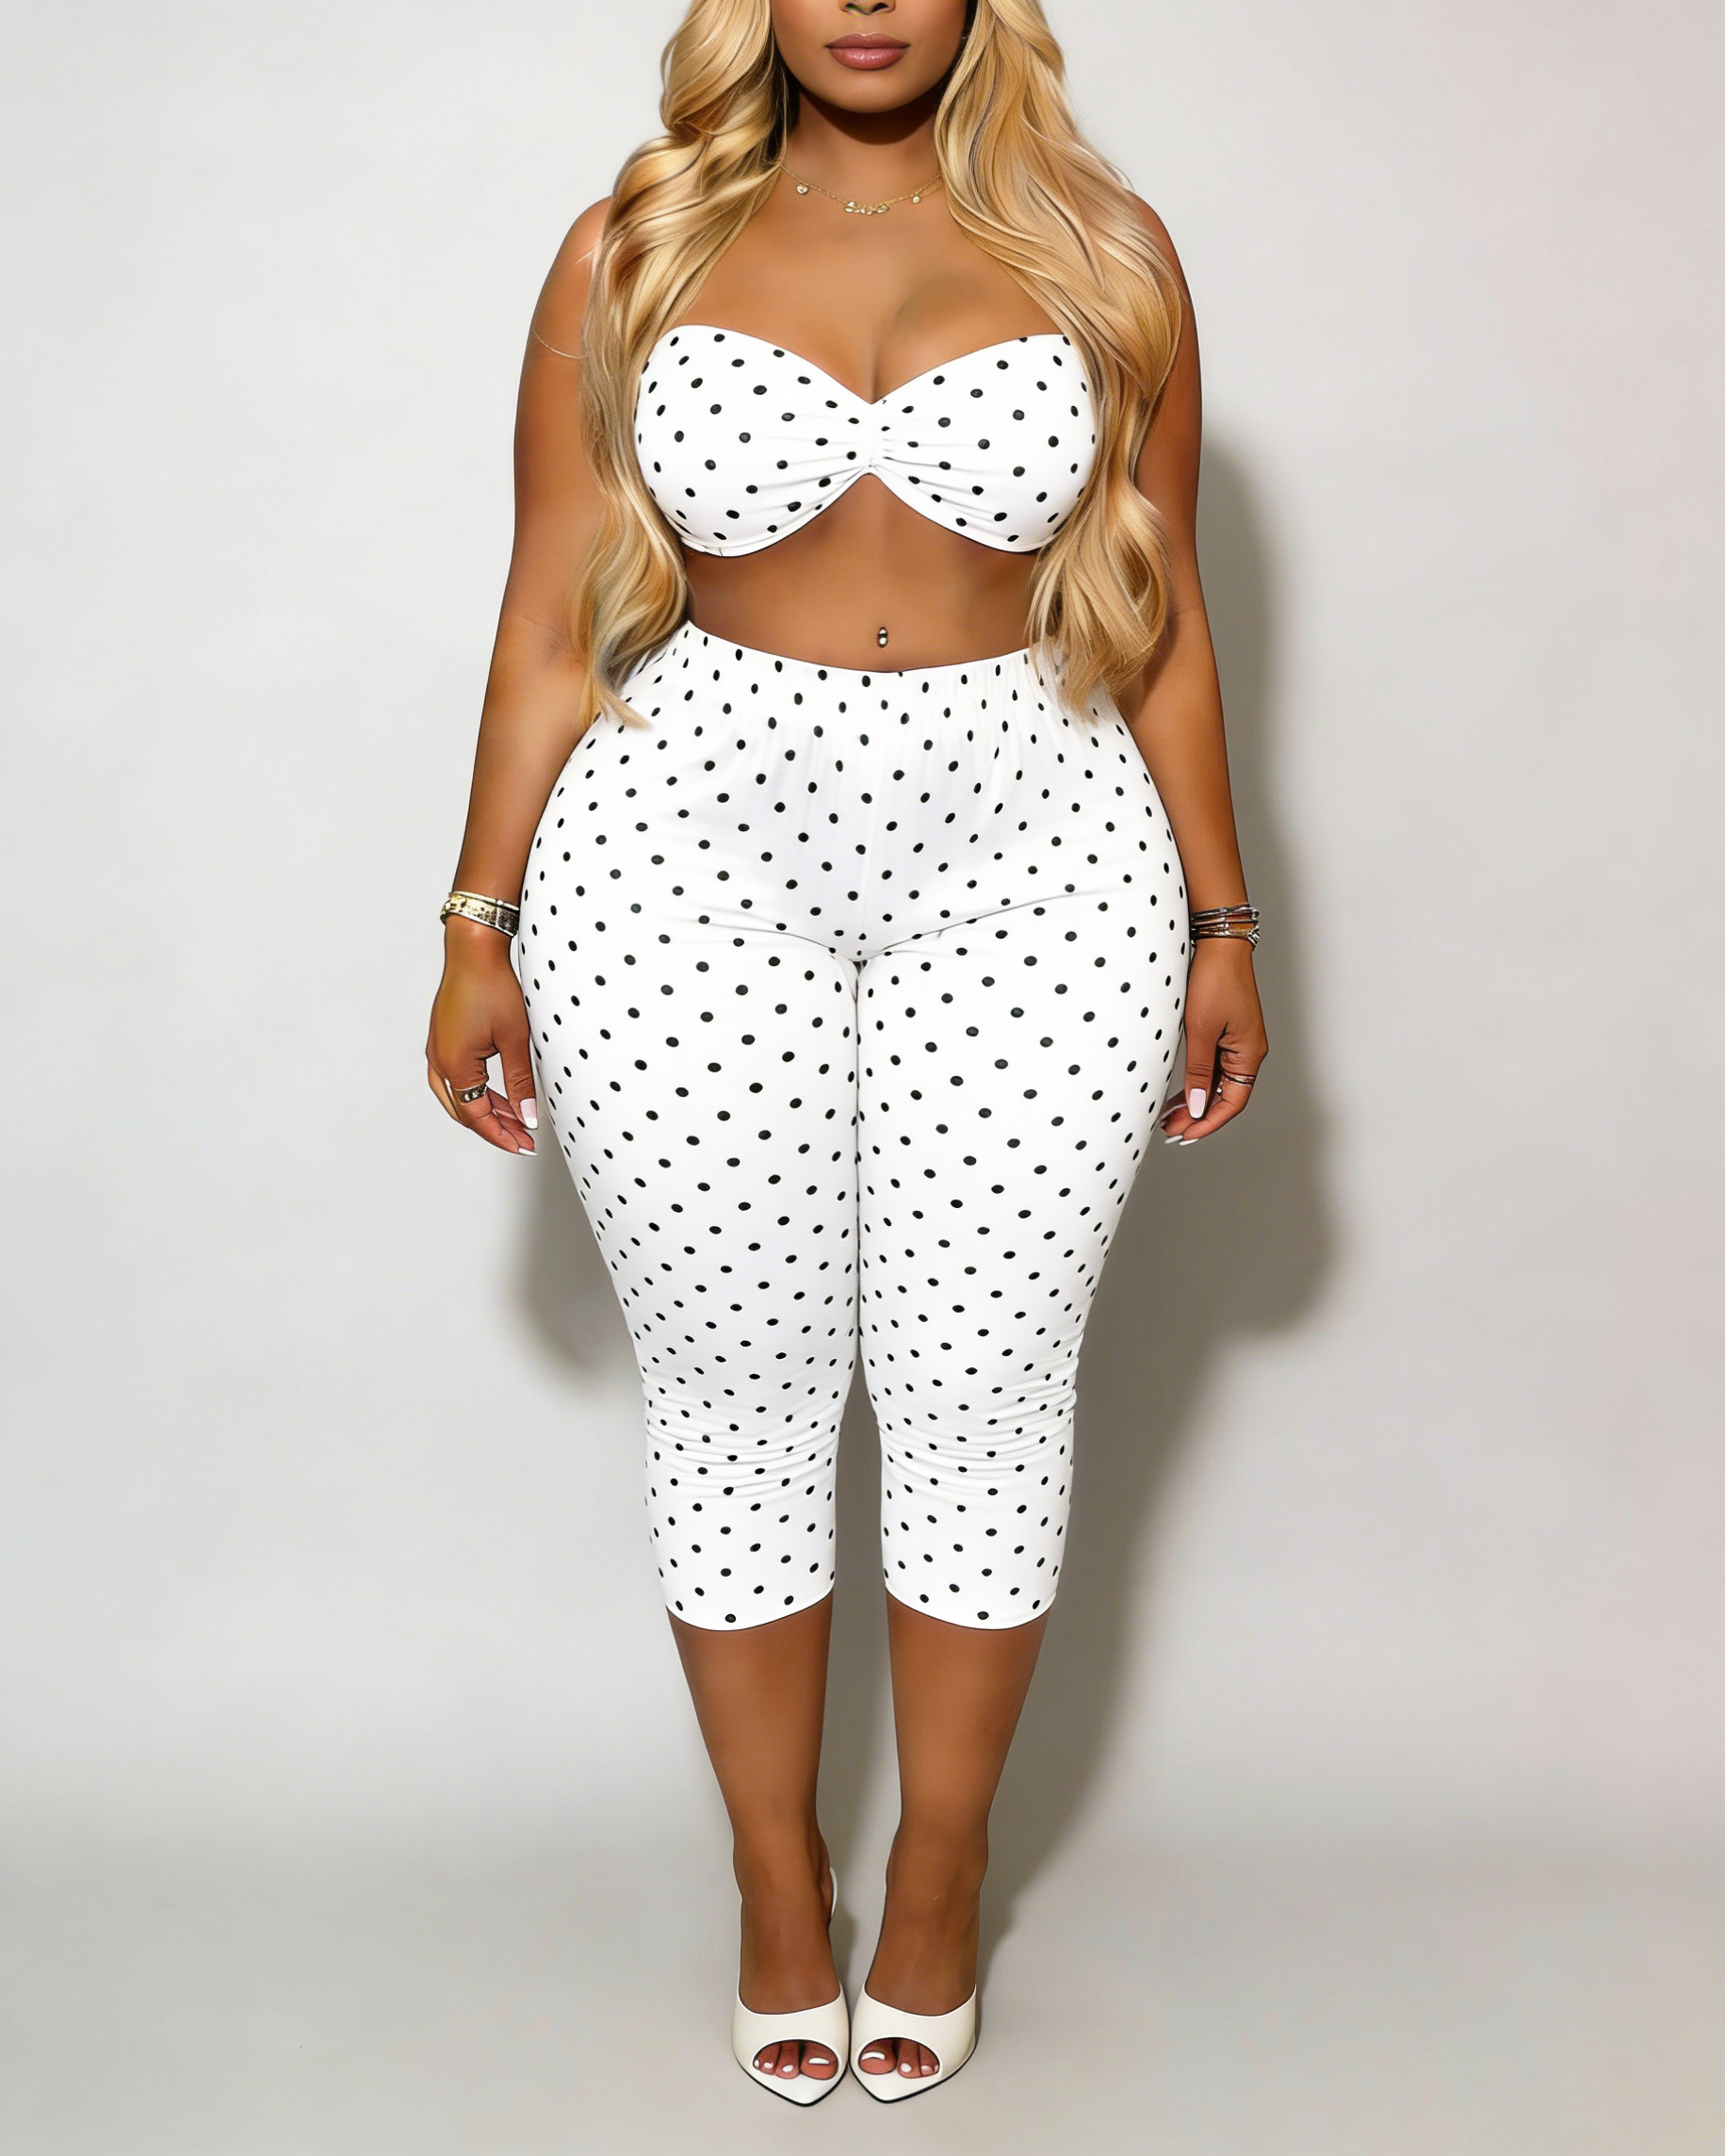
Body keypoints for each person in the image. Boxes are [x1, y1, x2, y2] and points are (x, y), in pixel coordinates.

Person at [425, 0, 1266, 2106]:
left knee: (986, 1386)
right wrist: (477, 919)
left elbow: (1163, 610)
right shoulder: (635, 243)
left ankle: (942, 1877)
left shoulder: (1106, 249)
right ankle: (774, 1880)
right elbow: (546, 607)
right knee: (739, 1389)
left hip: (1040, 845)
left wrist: (1223, 917)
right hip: (685, 846)